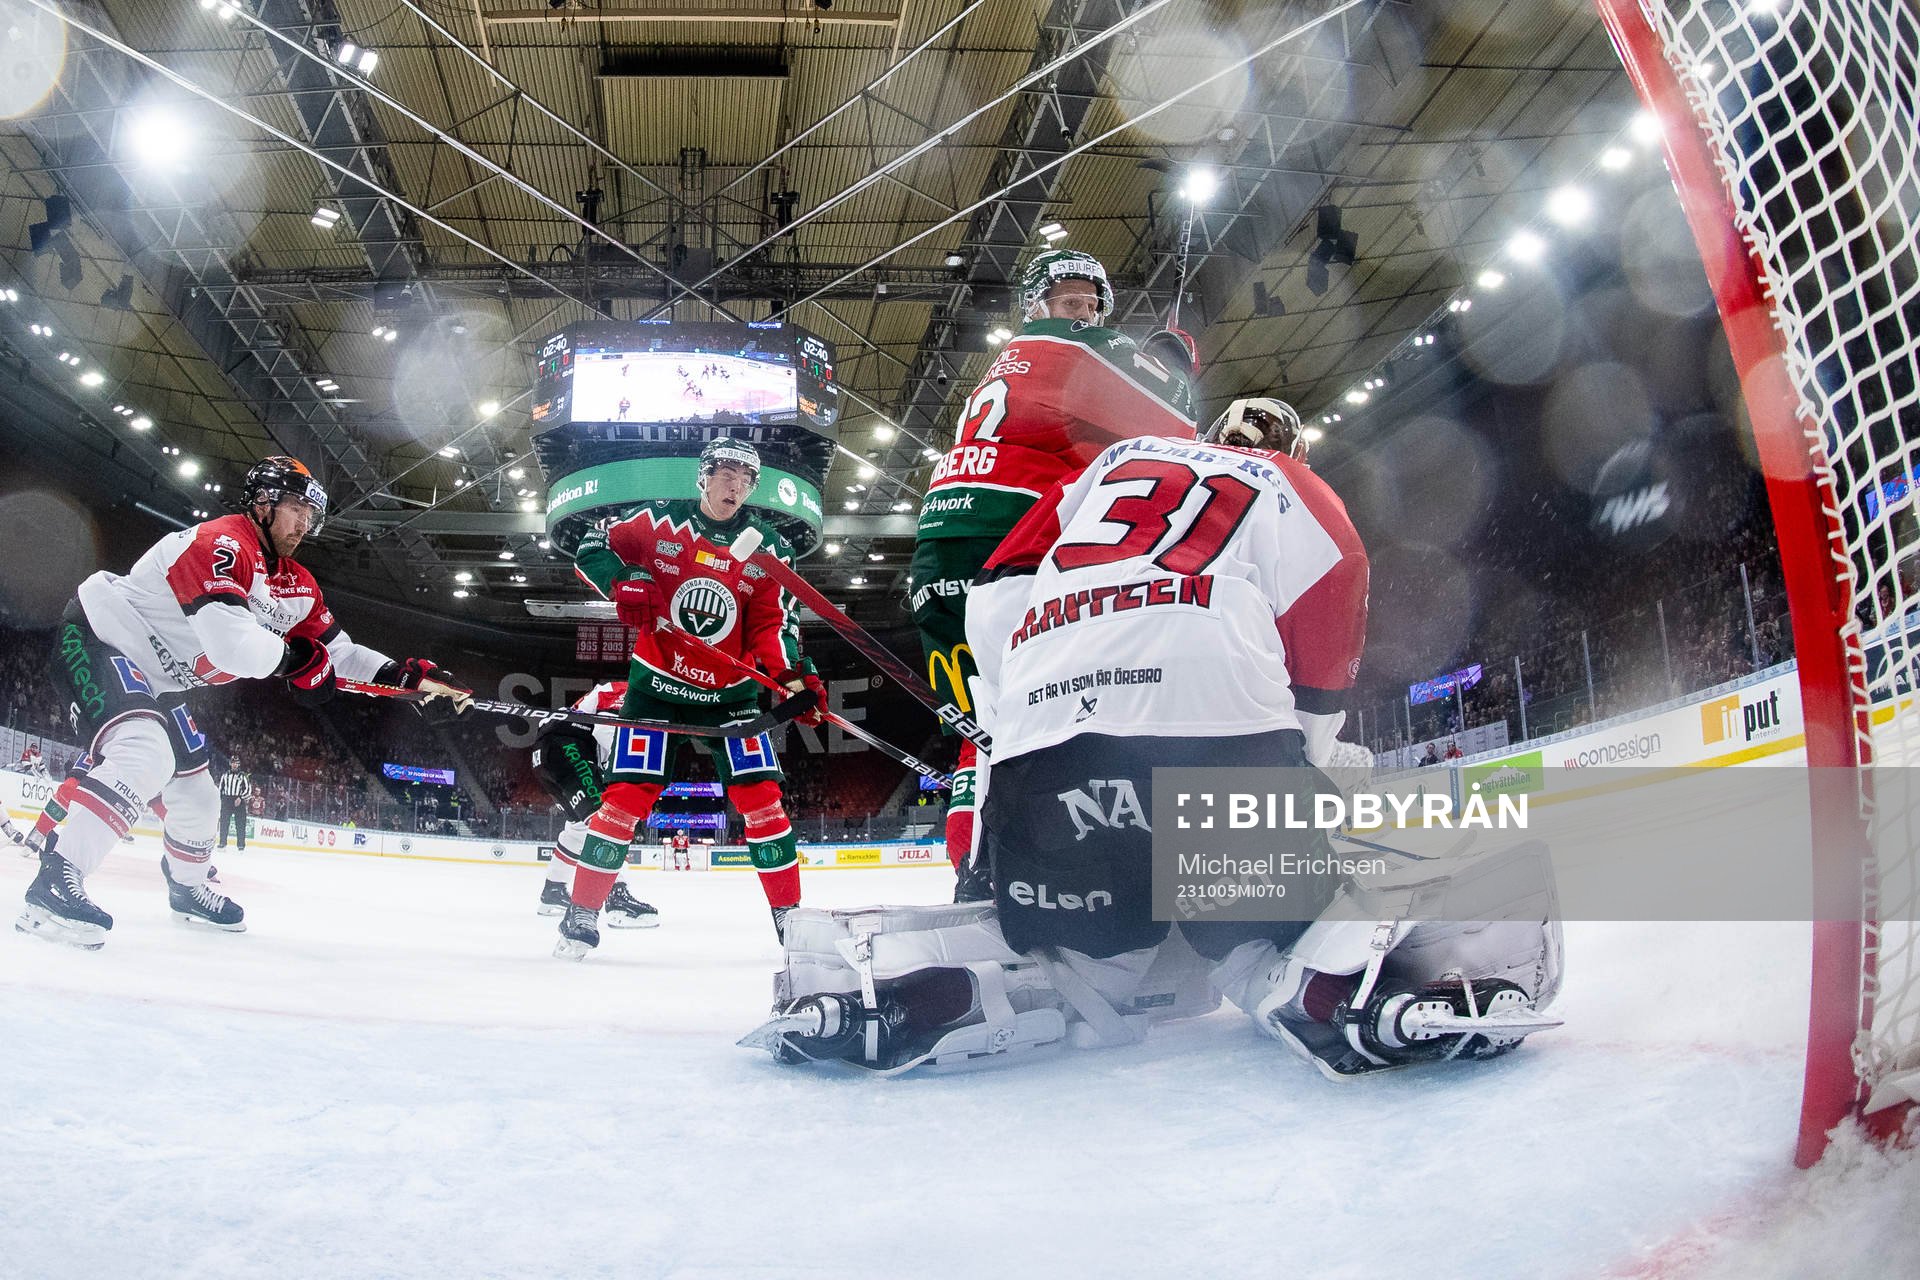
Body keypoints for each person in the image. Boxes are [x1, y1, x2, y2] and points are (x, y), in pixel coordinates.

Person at [747, 435, 1561, 1075]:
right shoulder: (1297, 489)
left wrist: (1017, 723)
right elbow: (1323, 664)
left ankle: (899, 991)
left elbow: (993, 600)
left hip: (1047, 756)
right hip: (1215, 739)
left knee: (1085, 969)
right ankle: (1338, 987)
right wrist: (1306, 772)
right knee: (1259, 941)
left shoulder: (1104, 469)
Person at [14, 455, 473, 951]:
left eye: (310, 515)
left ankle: (187, 889)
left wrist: (406, 679)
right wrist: (296, 660)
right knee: (145, 753)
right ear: (262, 503)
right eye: (295, 508)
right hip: (99, 637)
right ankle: (53, 884)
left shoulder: (298, 586)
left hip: (160, 681)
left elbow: (339, 655)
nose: (304, 523)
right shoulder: (220, 543)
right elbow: (230, 645)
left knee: (198, 796)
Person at [911, 248, 1196, 893]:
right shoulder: (1073, 347)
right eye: (1070, 298)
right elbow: (1177, 428)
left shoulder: (1009, 364)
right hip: (1013, 541)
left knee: (986, 727)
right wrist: (1174, 362)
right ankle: (1068, 864)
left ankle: (975, 873)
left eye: (1091, 301)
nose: (1084, 311)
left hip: (942, 545)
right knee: (1062, 706)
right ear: (1038, 304)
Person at [560, 437, 827, 959]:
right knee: (623, 801)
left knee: (764, 802)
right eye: (726, 474)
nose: (736, 486)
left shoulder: (770, 547)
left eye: (746, 479)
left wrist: (794, 678)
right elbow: (591, 545)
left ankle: (789, 917)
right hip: (655, 690)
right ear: (703, 477)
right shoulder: (657, 520)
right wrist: (622, 579)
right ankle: (582, 911)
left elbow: (773, 625)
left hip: (732, 698)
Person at [529, 680, 658, 931]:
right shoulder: (630, 690)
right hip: (567, 747)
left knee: (579, 826)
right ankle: (617, 897)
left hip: (548, 754)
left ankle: (553, 892)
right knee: (607, 821)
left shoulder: (630, 693)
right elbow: (605, 730)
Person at [216, 755, 253, 851]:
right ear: (230, 764)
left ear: (239, 764)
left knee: (240, 824)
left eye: (236, 763)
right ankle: (222, 843)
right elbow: (221, 789)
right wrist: (222, 800)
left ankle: (241, 846)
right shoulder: (225, 775)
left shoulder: (243, 776)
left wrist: (241, 798)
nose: (234, 765)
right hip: (227, 800)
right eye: (233, 763)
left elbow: (248, 790)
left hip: (239, 801)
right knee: (224, 822)